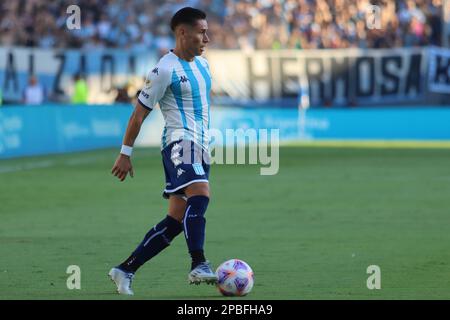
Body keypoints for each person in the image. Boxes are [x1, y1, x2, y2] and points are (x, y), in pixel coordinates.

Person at [109, 7, 215, 295]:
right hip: (180, 144)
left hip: (201, 147)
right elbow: (138, 115)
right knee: (201, 195)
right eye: (201, 32)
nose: (206, 37)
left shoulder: (203, 66)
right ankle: (198, 263)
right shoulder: (163, 70)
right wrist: (125, 152)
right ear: (183, 32)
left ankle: (125, 269)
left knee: (175, 221)